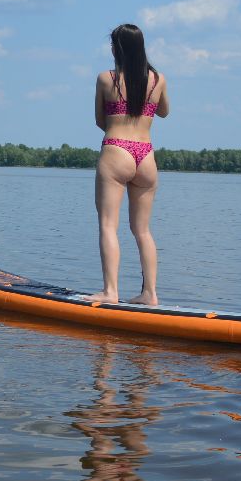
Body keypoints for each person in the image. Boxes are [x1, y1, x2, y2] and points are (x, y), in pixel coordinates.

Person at [90, 23, 169, 306]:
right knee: (143, 230)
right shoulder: (158, 79)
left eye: (113, 44)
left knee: (108, 225)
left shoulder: (105, 79)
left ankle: (110, 291)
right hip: (146, 155)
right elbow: (164, 112)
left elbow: (100, 120)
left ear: (118, 49)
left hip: (116, 150)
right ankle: (150, 293)